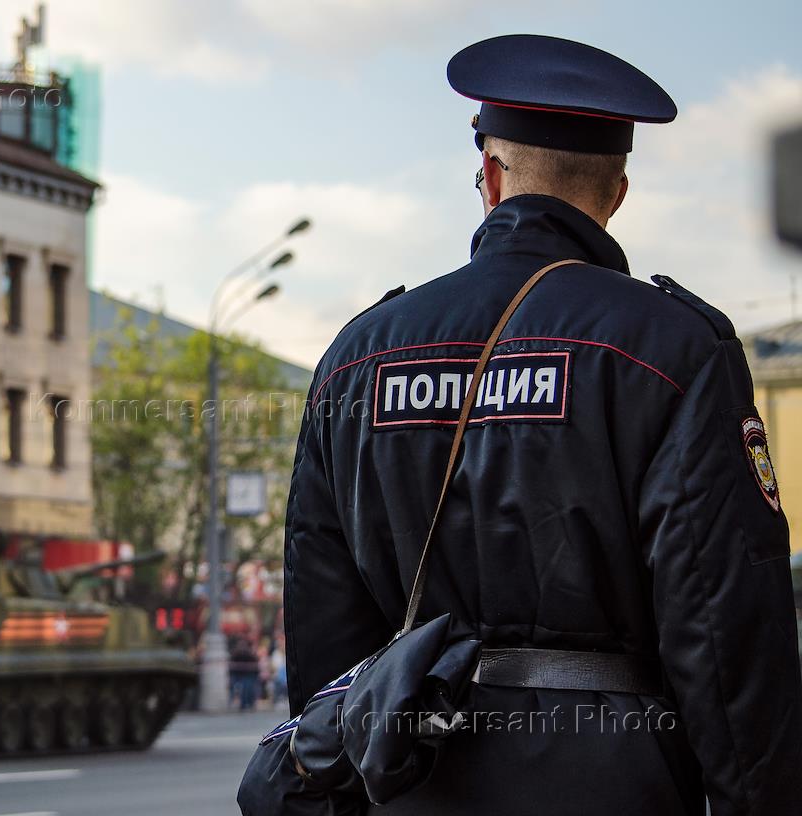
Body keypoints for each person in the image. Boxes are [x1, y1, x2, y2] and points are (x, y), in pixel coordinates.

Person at [283, 34, 802, 815]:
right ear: (616, 193)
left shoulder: (357, 356)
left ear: (491, 177)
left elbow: (323, 628)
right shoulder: (670, 348)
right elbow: (726, 625)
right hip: (618, 781)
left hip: (410, 781)